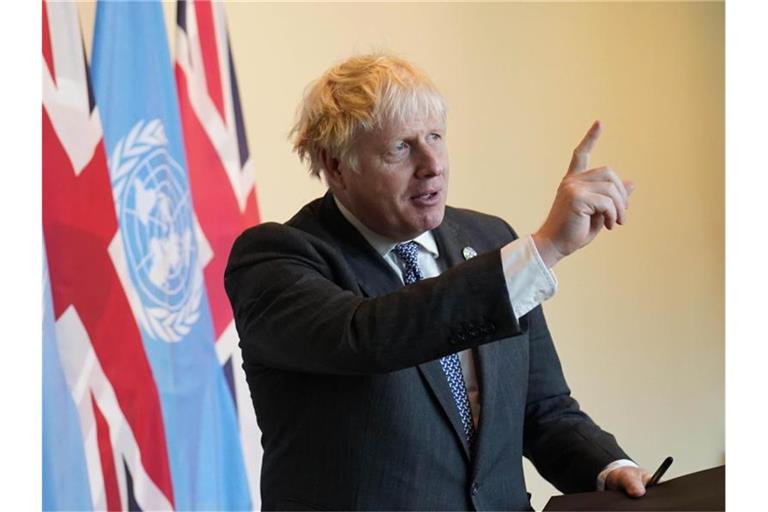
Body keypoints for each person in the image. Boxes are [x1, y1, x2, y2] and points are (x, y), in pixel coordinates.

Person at [225, 53, 650, 510]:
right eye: (401, 148)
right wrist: (545, 248)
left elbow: (540, 407)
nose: (432, 164)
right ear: (336, 167)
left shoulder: (490, 241)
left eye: (435, 137)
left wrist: (609, 468)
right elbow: (369, 337)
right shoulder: (275, 259)